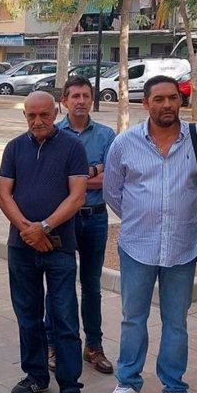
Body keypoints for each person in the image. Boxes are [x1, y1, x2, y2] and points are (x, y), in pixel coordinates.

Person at [101, 75, 197, 393]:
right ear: (146, 103)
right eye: (159, 99)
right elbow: (112, 191)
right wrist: (142, 217)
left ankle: (174, 390)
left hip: (183, 245)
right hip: (138, 245)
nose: (167, 104)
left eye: (172, 98)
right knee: (132, 318)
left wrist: (180, 218)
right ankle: (128, 383)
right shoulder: (125, 143)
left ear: (180, 101)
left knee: (176, 321)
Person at [0, 92, 90, 393]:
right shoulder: (14, 148)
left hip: (59, 247)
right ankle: (35, 375)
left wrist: (45, 227)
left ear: (56, 112)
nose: (38, 121)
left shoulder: (72, 148)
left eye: (44, 115)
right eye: (31, 115)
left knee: (64, 317)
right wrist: (28, 230)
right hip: (21, 246)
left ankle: (70, 386)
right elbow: (3, 195)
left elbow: (77, 197)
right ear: (25, 116)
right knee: (28, 315)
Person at [51, 76, 117, 375]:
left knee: (92, 285)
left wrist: (75, 177)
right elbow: (53, 179)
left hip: (95, 218)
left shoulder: (106, 135)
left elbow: (111, 178)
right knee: (59, 284)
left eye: (85, 96)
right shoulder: (54, 134)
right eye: (75, 96)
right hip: (64, 219)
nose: (80, 101)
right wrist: (92, 171)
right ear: (64, 100)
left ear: (92, 99)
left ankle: (94, 346)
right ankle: (55, 345)